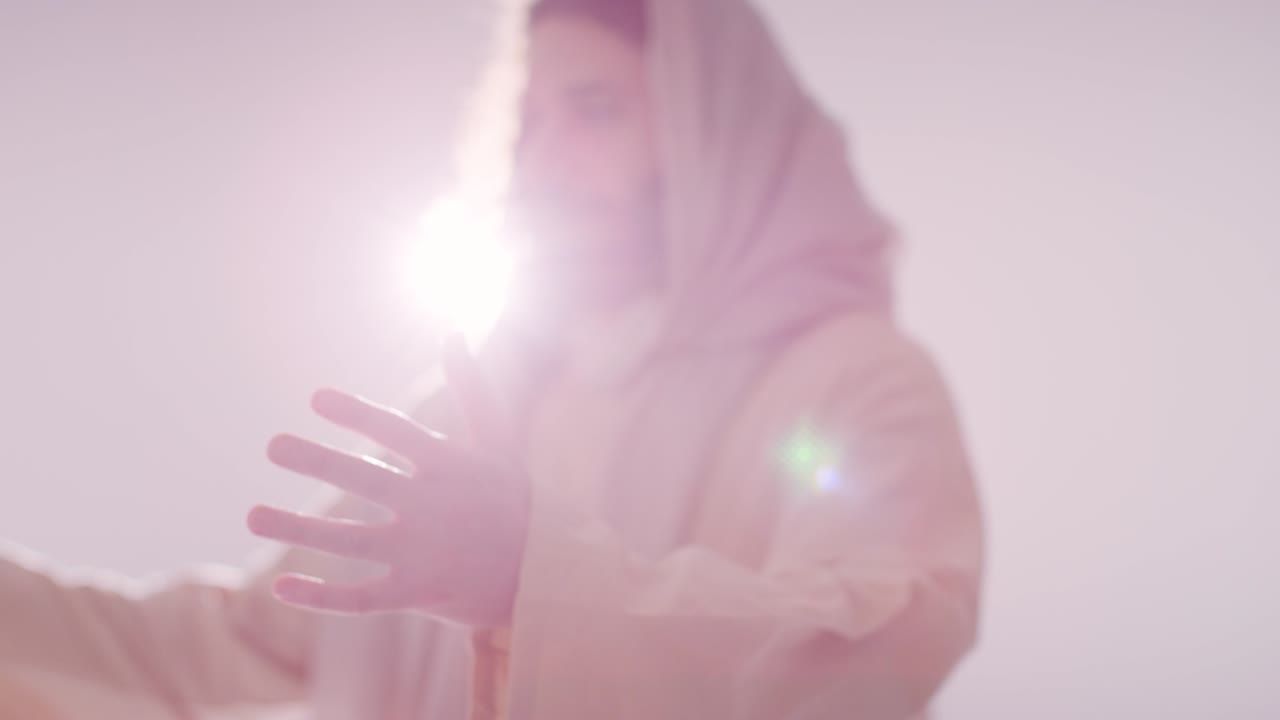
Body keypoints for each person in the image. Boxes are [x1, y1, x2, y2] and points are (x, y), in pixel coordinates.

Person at [0, 0, 985, 718]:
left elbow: (875, 649)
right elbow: (227, 650)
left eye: (594, 108)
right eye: (528, 123)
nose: (545, 162)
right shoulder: (473, 410)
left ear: (713, 141)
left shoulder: (848, 377)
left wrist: (530, 576)